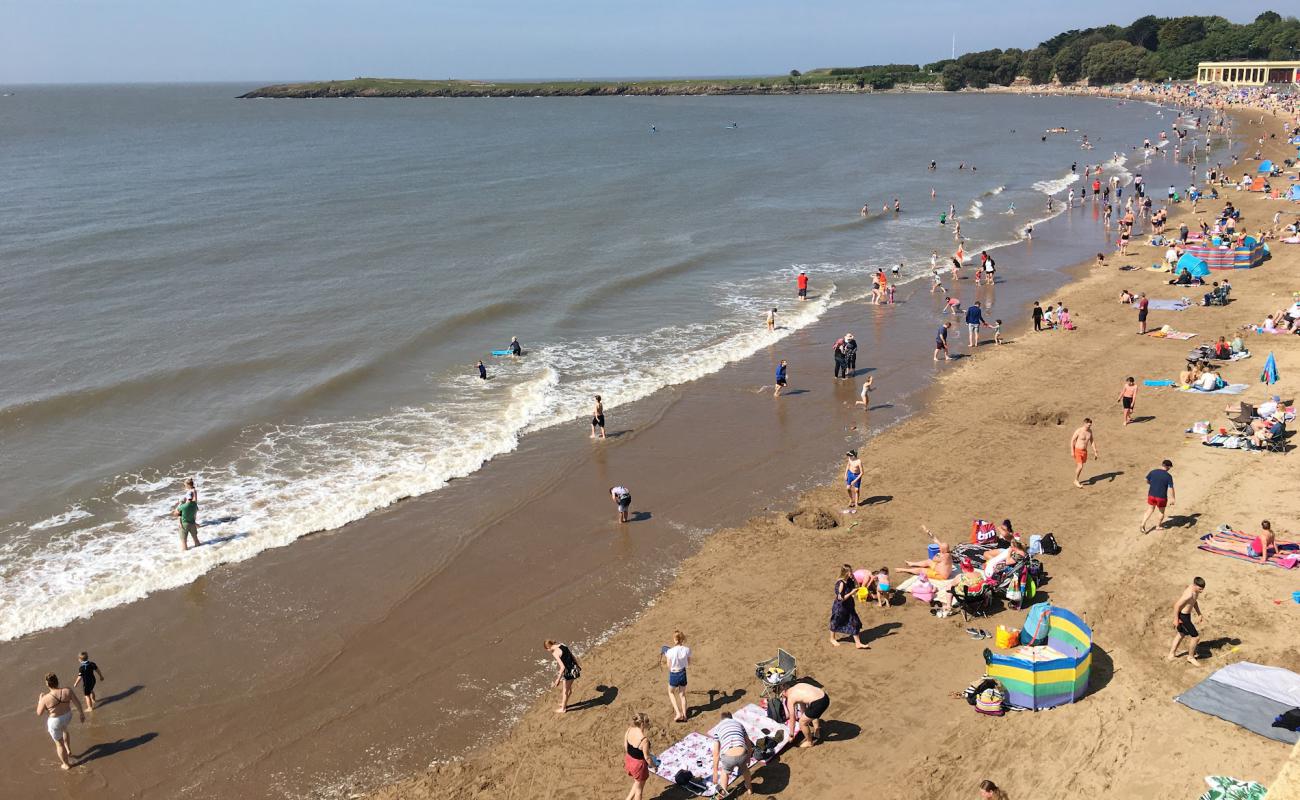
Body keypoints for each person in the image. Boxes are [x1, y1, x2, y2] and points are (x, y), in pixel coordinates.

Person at [36, 673, 83, 770]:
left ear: (47, 684)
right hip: (67, 716)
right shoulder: (67, 690)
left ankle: (66, 764)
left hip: (55, 721)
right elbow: (77, 702)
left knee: (59, 744)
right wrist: (81, 714)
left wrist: (40, 701)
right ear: (57, 681)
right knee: (65, 729)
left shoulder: (45, 698)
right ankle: (68, 750)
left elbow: (39, 713)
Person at [711, 711, 754, 793]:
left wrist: (715, 772)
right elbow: (748, 743)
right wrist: (748, 757)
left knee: (725, 772)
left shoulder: (718, 728)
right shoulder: (739, 724)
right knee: (745, 769)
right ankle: (749, 787)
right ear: (731, 718)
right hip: (742, 753)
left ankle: (724, 791)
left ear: (721, 720)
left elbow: (716, 753)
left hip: (728, 757)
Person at [1167, 577, 1205, 665]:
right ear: (1195, 585)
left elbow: (1194, 602)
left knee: (1181, 634)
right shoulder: (1189, 594)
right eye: (1200, 589)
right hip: (1183, 617)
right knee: (1196, 637)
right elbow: (1176, 605)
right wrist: (1176, 619)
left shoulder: (1195, 590)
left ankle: (1171, 655)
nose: (1201, 591)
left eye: (1202, 589)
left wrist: (1199, 613)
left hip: (1186, 615)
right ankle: (1190, 657)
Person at [829, 565, 868, 649]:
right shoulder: (840, 583)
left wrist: (854, 578)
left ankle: (858, 643)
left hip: (849, 605)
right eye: (850, 571)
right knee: (835, 621)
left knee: (855, 623)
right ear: (846, 573)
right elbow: (841, 599)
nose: (851, 572)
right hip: (840, 607)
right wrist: (851, 593)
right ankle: (832, 638)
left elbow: (857, 587)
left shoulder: (849, 580)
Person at [781, 680, 829, 747]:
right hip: (824, 696)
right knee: (811, 713)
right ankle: (817, 730)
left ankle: (809, 742)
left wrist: (791, 734)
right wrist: (805, 716)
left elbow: (792, 718)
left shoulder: (790, 698)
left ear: (784, 691)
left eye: (782, 694)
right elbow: (804, 709)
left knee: (802, 722)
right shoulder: (798, 686)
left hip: (818, 703)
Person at [623, 713, 655, 800]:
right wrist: (654, 766)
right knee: (639, 790)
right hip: (639, 766)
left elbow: (626, 746)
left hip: (629, 760)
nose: (648, 724)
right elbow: (647, 757)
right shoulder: (644, 740)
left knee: (637, 783)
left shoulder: (629, 730)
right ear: (642, 724)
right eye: (647, 722)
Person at [545, 640, 581, 712]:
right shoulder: (562, 645)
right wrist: (577, 665)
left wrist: (558, 679)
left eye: (547, 650)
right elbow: (572, 656)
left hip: (569, 672)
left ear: (548, 648)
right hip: (574, 668)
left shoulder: (555, 653)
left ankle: (563, 709)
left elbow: (562, 667)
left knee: (565, 691)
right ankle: (564, 703)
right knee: (568, 690)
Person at [662, 630, 691, 721]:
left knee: (671, 692)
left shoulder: (670, 652)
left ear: (675, 640)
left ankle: (678, 713)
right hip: (683, 673)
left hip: (674, 674)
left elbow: (668, 666)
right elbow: (688, 663)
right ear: (682, 639)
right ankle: (685, 715)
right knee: (682, 694)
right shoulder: (687, 649)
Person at [1141, 459, 1175, 534]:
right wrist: (1172, 498)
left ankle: (1143, 524)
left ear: (1162, 465)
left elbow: (1146, 479)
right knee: (1161, 512)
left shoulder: (1153, 471)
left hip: (1151, 495)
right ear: (1168, 467)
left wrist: (1151, 484)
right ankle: (1158, 526)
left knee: (1150, 510)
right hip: (1161, 497)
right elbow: (1170, 488)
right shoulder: (1168, 476)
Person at [1070, 418, 1099, 488]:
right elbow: (1072, 440)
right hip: (1078, 450)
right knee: (1080, 466)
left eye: (1090, 425)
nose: (1089, 427)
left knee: (1079, 466)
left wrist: (1095, 451)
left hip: (1084, 452)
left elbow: (1092, 441)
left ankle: (1076, 477)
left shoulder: (1090, 431)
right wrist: (1072, 451)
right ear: (1085, 424)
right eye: (1088, 425)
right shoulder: (1079, 431)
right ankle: (1076, 480)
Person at [173, 484, 201, 551]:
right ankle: (200, 551)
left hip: (184, 524)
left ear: (187, 498)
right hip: (192, 523)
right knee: (196, 540)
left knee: (184, 542)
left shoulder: (183, 506)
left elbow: (175, 514)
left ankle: (186, 557)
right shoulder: (194, 505)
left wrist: (179, 504)